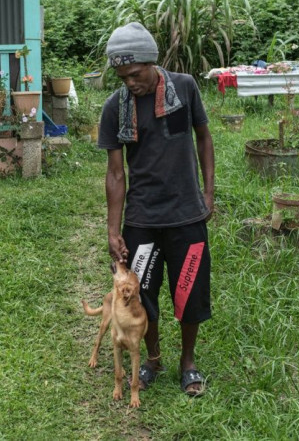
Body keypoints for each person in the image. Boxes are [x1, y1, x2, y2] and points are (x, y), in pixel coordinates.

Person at [97, 22, 215, 397]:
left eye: (135, 74)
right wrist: (114, 230)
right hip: (142, 220)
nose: (130, 83)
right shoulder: (115, 108)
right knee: (142, 294)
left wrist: (208, 194)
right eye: (122, 76)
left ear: (152, 62)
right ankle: (152, 359)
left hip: (187, 215)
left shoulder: (185, 88)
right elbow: (116, 175)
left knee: (190, 293)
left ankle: (188, 363)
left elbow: (204, 138)